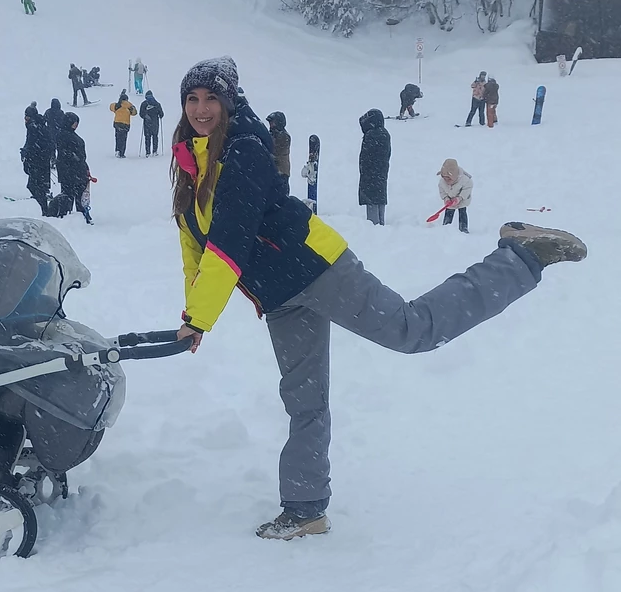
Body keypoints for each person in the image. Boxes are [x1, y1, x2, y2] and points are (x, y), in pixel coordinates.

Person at [169, 56, 587, 540]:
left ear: (229, 102)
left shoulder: (242, 151)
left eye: (211, 99)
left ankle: (519, 256)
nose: (201, 108)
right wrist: (190, 312)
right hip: (280, 294)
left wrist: (199, 320)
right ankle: (305, 509)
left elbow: (228, 244)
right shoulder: (190, 157)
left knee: (413, 329)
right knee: (305, 401)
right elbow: (194, 245)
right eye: (193, 99)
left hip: (316, 267)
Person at [56, 112, 94, 224]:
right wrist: (73, 156)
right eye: (74, 122)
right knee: (69, 194)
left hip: (77, 169)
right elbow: (63, 152)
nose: (76, 125)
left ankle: (80, 215)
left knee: (79, 194)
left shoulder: (68, 134)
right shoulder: (63, 135)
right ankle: (68, 216)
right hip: (70, 170)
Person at [358, 108, 390, 225]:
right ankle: (381, 223)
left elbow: (366, 157)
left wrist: (365, 171)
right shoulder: (385, 133)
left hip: (370, 174)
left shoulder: (371, 135)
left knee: (371, 200)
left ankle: (374, 226)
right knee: (380, 198)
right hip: (381, 172)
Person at [21, 103, 53, 216]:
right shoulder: (36, 126)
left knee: (33, 186)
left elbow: (34, 143)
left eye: (27, 116)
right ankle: (45, 208)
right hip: (39, 161)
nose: (25, 119)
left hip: (37, 161)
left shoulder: (35, 127)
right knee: (39, 186)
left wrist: (28, 153)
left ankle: (45, 208)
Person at [438, 158, 472, 233]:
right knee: (449, 211)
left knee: (462, 212)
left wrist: (459, 198)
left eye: (449, 179)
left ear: (454, 176)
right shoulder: (442, 182)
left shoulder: (465, 180)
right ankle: (446, 226)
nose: (446, 181)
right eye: (444, 178)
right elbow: (442, 191)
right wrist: (446, 198)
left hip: (462, 199)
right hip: (449, 199)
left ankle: (463, 228)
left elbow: (467, 189)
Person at [266, 112, 291, 194]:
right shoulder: (272, 134)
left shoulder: (283, 136)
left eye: (273, 123)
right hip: (273, 171)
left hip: (281, 171)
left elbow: (274, 148)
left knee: (281, 194)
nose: (271, 125)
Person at [109, 90, 137, 157]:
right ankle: (122, 153)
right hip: (125, 125)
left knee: (117, 138)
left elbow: (110, 107)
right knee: (123, 139)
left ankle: (117, 150)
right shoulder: (129, 106)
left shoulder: (117, 105)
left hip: (117, 123)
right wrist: (133, 107)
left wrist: (118, 102)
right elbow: (134, 113)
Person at [140, 90, 164, 157]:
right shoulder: (157, 103)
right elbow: (161, 114)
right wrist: (159, 115)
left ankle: (148, 152)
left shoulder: (144, 104)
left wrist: (145, 116)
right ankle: (154, 151)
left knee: (147, 137)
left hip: (147, 123)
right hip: (155, 123)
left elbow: (141, 114)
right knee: (155, 137)